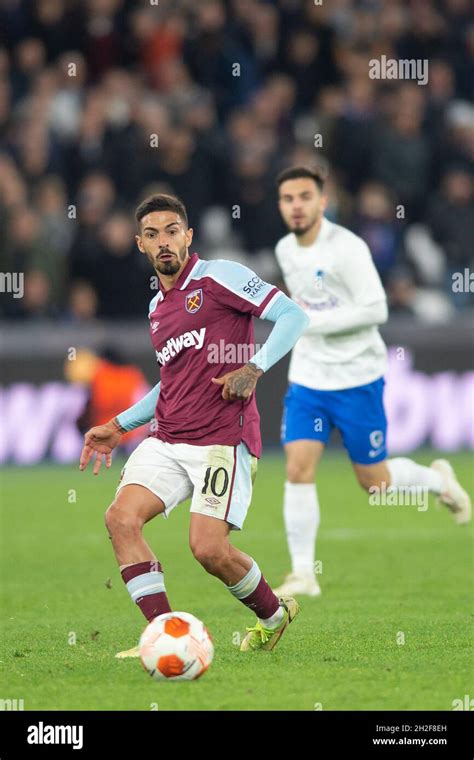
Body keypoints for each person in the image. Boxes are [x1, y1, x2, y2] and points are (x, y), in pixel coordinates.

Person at [79, 193, 309, 655]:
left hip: (222, 440)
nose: (162, 242)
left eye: (170, 231)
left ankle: (273, 614)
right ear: (139, 245)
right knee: (121, 520)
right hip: (166, 438)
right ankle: (166, 637)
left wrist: (253, 368)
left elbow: (293, 315)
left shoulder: (219, 276)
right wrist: (119, 425)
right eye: (151, 234)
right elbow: (171, 383)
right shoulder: (157, 310)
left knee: (208, 550)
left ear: (188, 236)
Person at [272, 166, 471, 598]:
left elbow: (377, 309)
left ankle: (438, 480)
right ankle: (303, 573)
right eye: (288, 199)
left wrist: (312, 323)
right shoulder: (285, 249)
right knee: (297, 467)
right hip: (308, 377)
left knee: (374, 484)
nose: (297, 206)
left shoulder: (348, 248)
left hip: (357, 377)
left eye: (305, 197)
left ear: (323, 202)